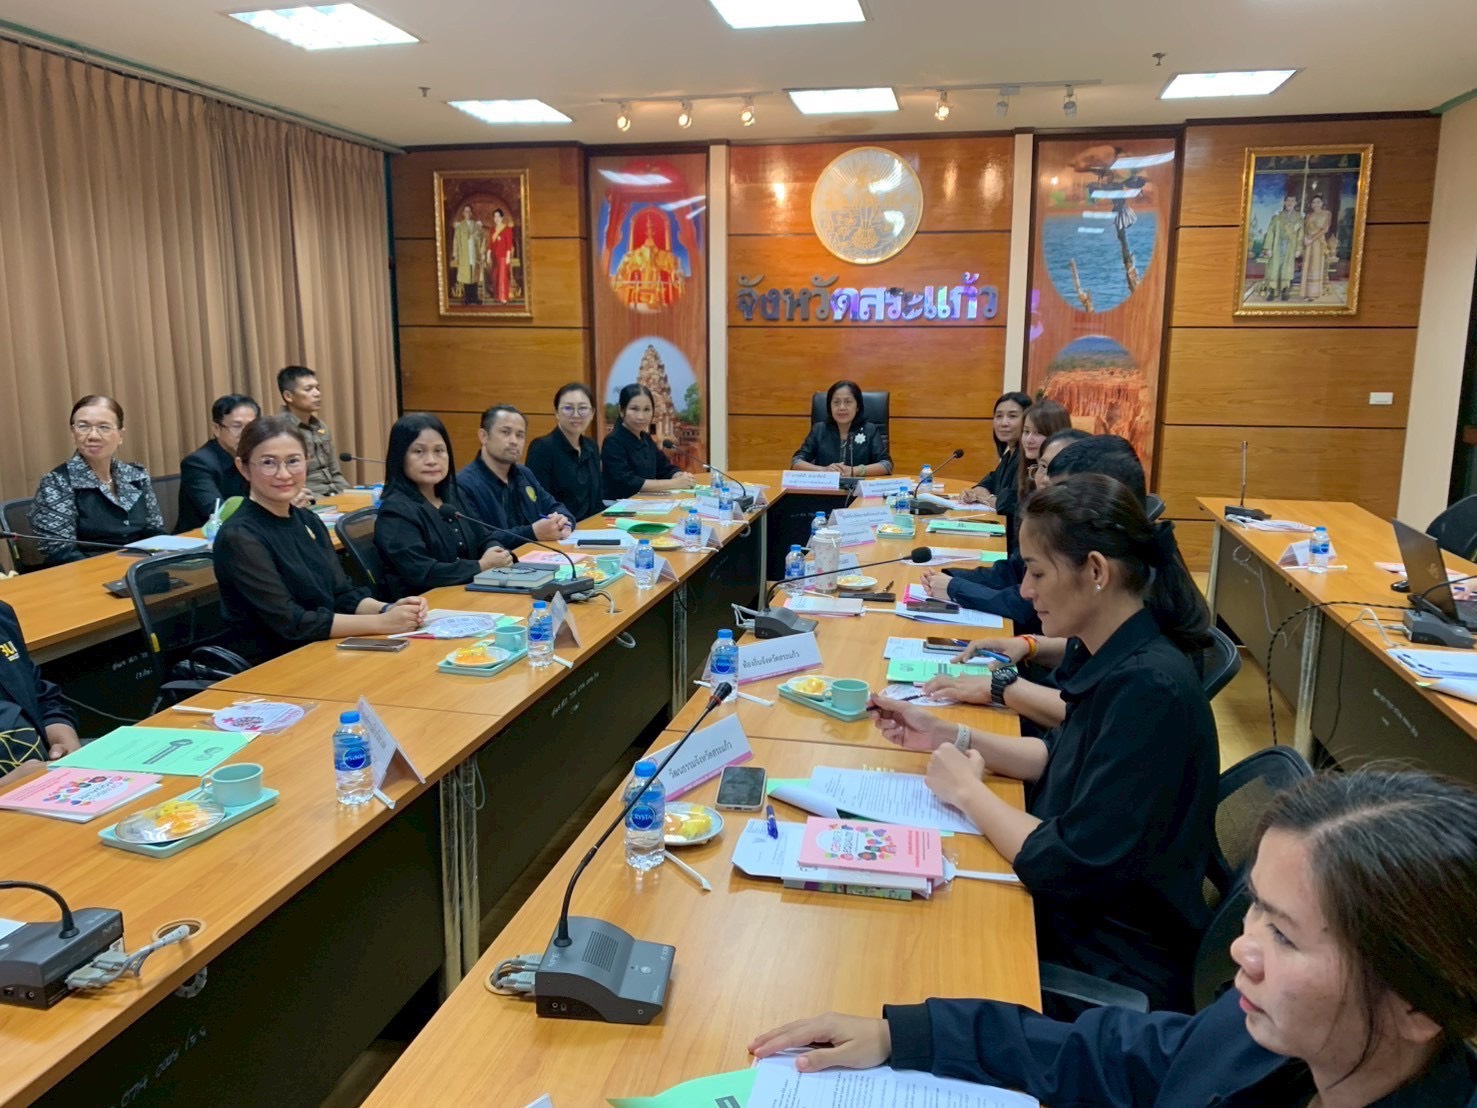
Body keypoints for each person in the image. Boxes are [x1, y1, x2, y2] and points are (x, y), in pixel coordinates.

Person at [750, 769, 1477, 1107]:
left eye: (1284, 936)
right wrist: (902, 1034)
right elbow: (1104, 1055)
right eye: (1254, 907)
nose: (1241, 947)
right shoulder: (1262, 1035)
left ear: (1417, 1001)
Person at [870, 474, 1218, 1010]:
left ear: (1096, 571)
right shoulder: (1114, 650)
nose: (1027, 592)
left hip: (1106, 951)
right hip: (1079, 911)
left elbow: (1069, 863)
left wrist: (969, 793)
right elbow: (1059, 757)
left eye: (1036, 573)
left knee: (902, 955)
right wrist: (948, 734)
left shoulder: (1150, 687)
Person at [213, 415, 425, 663]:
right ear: (243, 467)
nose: (284, 474)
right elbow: (292, 623)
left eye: (293, 461)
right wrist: (382, 623)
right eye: (268, 463)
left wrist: (390, 609)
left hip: (324, 647)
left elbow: (343, 595)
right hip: (275, 663)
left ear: (307, 462)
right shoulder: (239, 536)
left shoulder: (307, 519)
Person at [373, 414, 513, 598]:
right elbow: (422, 572)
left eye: (439, 450)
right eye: (419, 452)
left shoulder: (453, 495)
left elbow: (483, 537)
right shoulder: (396, 511)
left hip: (469, 593)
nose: (431, 460)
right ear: (400, 457)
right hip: (425, 604)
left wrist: (494, 551)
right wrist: (482, 565)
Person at [31, 395, 164, 565]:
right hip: (88, 572)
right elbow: (59, 550)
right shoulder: (57, 483)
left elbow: (154, 530)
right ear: (73, 433)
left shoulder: (136, 475)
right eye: (83, 426)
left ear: (120, 435)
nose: (93, 435)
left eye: (104, 427)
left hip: (141, 568)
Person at [458, 405, 575, 545]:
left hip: (538, 555)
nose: (514, 441)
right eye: (505, 432)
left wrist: (564, 521)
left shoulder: (524, 474)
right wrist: (532, 533)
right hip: (502, 559)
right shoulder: (463, 485)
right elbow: (479, 540)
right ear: (484, 436)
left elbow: (554, 506)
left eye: (520, 435)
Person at [0, 599, 81, 786]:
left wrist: (67, 746)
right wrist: (8, 784)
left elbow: (40, 700)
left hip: (45, 770)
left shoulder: (2, 616)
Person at [177, 393, 259, 531]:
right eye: (236, 426)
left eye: (250, 427)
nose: (245, 433)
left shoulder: (257, 457)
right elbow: (218, 513)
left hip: (249, 531)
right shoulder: (198, 464)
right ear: (216, 429)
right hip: (202, 538)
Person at [601, 384, 696, 500]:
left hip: (645, 502)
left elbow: (664, 468)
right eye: (634, 409)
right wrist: (675, 483)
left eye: (646, 409)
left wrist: (680, 476)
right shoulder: (613, 441)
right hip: (618, 505)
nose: (641, 416)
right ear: (621, 411)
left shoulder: (646, 438)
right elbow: (627, 483)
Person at [526, 383, 604, 523]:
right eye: (568, 408)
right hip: (559, 528)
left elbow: (597, 501)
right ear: (556, 412)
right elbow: (537, 504)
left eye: (582, 408)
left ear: (592, 413)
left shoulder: (591, 447)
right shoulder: (542, 448)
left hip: (591, 528)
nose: (576, 415)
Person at [789, 380, 893, 478]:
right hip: (826, 488)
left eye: (848, 402)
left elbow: (886, 465)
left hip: (858, 489)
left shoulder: (869, 430)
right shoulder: (819, 429)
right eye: (836, 402)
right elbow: (796, 462)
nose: (842, 407)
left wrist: (854, 471)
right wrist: (824, 470)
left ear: (857, 406)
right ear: (829, 406)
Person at [279, 365, 348, 498]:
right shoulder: (280, 430)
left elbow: (335, 472)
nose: (317, 393)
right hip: (308, 499)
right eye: (308, 389)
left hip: (334, 495)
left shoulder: (321, 426)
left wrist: (350, 495)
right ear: (288, 396)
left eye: (317, 388)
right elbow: (288, 479)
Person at [961, 392, 1031, 507]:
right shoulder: (1008, 455)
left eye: (1012, 416)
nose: (1004, 423)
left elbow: (1015, 505)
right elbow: (988, 483)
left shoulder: (1029, 458)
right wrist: (976, 492)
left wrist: (988, 499)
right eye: (999, 416)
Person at [1260, 194, 1302, 303]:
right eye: (1288, 200)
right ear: (1284, 202)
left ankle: (1285, 290)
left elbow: (1300, 235)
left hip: (1290, 247)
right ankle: (1272, 291)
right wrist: (1268, 248)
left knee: (1287, 268)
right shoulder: (1277, 217)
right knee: (1274, 268)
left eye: (1292, 201)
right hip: (1277, 246)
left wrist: (1298, 249)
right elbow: (1270, 232)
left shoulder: (1299, 218)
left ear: (1295, 203)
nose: (1290, 203)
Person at [1300, 193, 1334, 301]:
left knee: (1315, 266)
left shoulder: (1326, 213)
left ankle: (1314, 294)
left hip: (1318, 242)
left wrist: (1312, 239)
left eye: (1318, 202)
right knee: (1307, 266)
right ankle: (1306, 293)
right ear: (1311, 204)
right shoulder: (1309, 216)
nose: (1316, 204)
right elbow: (1305, 229)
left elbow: (1325, 229)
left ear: (1322, 203)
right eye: (1314, 202)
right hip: (1308, 243)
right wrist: (1306, 238)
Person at [485, 208, 516, 303]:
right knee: (495, 276)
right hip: (494, 257)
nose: (496, 218)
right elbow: (490, 244)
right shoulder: (492, 230)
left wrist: (508, 256)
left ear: (502, 217)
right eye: (495, 216)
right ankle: (497, 296)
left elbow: (509, 244)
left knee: (502, 277)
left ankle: (503, 297)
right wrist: (488, 255)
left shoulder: (507, 229)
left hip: (503, 257)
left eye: (498, 216)